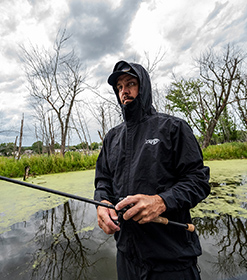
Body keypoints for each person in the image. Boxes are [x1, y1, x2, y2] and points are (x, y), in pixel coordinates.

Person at [94, 60, 210, 280]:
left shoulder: (174, 128)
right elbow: (103, 181)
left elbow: (198, 181)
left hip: (171, 260)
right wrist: (103, 203)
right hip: (126, 257)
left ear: (144, 87)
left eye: (130, 84)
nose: (124, 91)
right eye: (119, 87)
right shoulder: (111, 138)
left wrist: (161, 201)